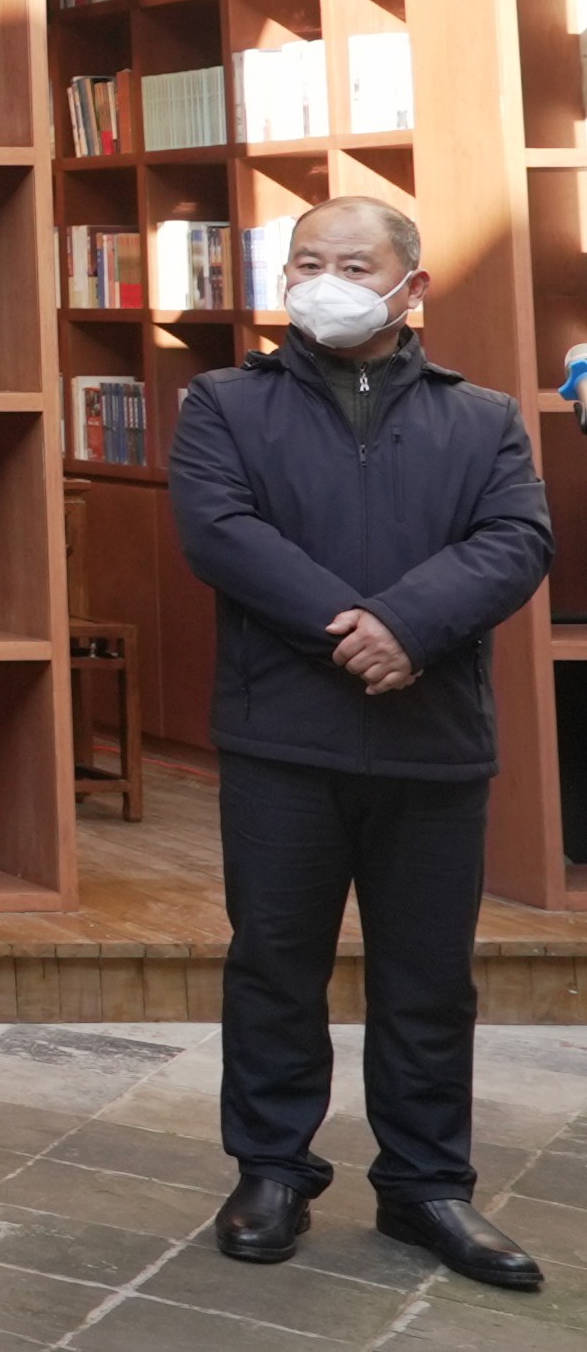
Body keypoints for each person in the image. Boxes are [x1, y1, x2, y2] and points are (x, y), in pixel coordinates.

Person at [175, 196, 550, 1292]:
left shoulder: (480, 416)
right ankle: (271, 1169)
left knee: (428, 975)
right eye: (305, 262)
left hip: (432, 738)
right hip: (283, 737)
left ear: (409, 287)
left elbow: (516, 538)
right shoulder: (226, 402)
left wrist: (409, 627)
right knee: (274, 962)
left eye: (352, 264)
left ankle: (426, 1182)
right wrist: (357, 630)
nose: (324, 282)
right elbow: (221, 531)